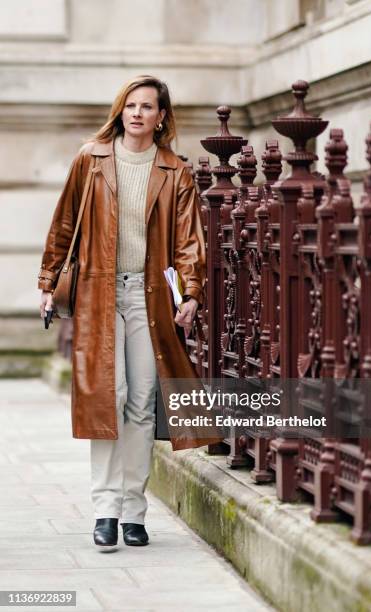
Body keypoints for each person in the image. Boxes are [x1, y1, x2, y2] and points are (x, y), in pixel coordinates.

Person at [38, 75, 221, 551]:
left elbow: (187, 242)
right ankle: (105, 510)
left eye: (148, 107)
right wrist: (46, 284)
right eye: (131, 105)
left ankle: (134, 511)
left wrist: (193, 293)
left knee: (141, 401)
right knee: (108, 397)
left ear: (162, 117)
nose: (137, 113)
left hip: (149, 299)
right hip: (99, 294)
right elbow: (63, 225)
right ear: (121, 110)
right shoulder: (91, 159)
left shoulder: (175, 171)